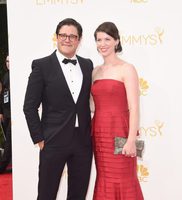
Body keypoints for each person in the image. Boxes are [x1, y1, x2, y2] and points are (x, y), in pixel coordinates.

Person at [23, 18, 93, 200]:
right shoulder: (41, 65)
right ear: (56, 37)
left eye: (72, 36)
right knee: (47, 194)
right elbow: (29, 106)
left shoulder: (87, 65)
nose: (67, 39)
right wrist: (39, 138)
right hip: (53, 140)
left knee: (78, 194)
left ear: (79, 40)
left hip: (82, 141)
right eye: (63, 35)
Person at [91, 22, 144, 199]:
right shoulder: (95, 71)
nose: (102, 44)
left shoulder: (127, 68)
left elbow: (134, 108)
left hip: (121, 132)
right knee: (104, 177)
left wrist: (131, 140)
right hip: (99, 134)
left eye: (107, 39)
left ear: (116, 41)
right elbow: (92, 105)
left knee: (123, 178)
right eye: (99, 39)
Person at [0, 55, 12, 174]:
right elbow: (3, 96)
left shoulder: (17, 76)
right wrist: (1, 112)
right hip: (6, 113)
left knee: (9, 141)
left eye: (10, 61)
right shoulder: (5, 76)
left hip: (14, 115)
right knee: (8, 140)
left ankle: (2, 166)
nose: (8, 63)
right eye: (7, 61)